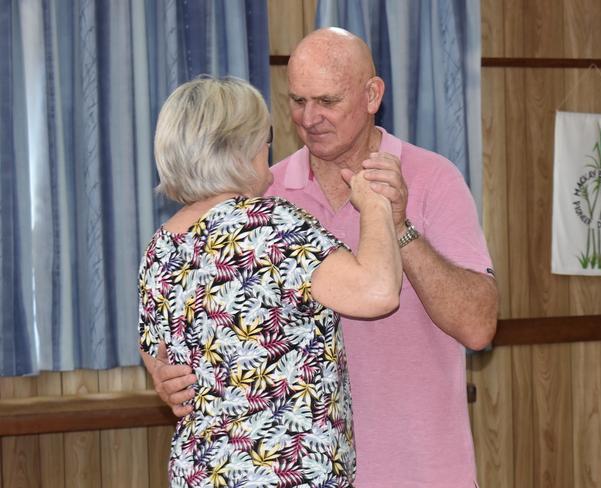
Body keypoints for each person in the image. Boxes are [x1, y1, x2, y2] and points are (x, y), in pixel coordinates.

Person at [147, 28, 498, 488]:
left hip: (417, 470)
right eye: (297, 101)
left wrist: (399, 226)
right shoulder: (259, 197)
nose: (309, 118)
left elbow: (478, 327)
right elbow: (169, 315)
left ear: (372, 95)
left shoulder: (432, 178)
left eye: (327, 101)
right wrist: (164, 373)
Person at [138, 75, 403, 487]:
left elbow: (155, 353)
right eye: (266, 138)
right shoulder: (268, 224)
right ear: (239, 149)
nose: (270, 150)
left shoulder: (161, 244)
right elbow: (378, 291)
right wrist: (375, 206)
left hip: (200, 473)